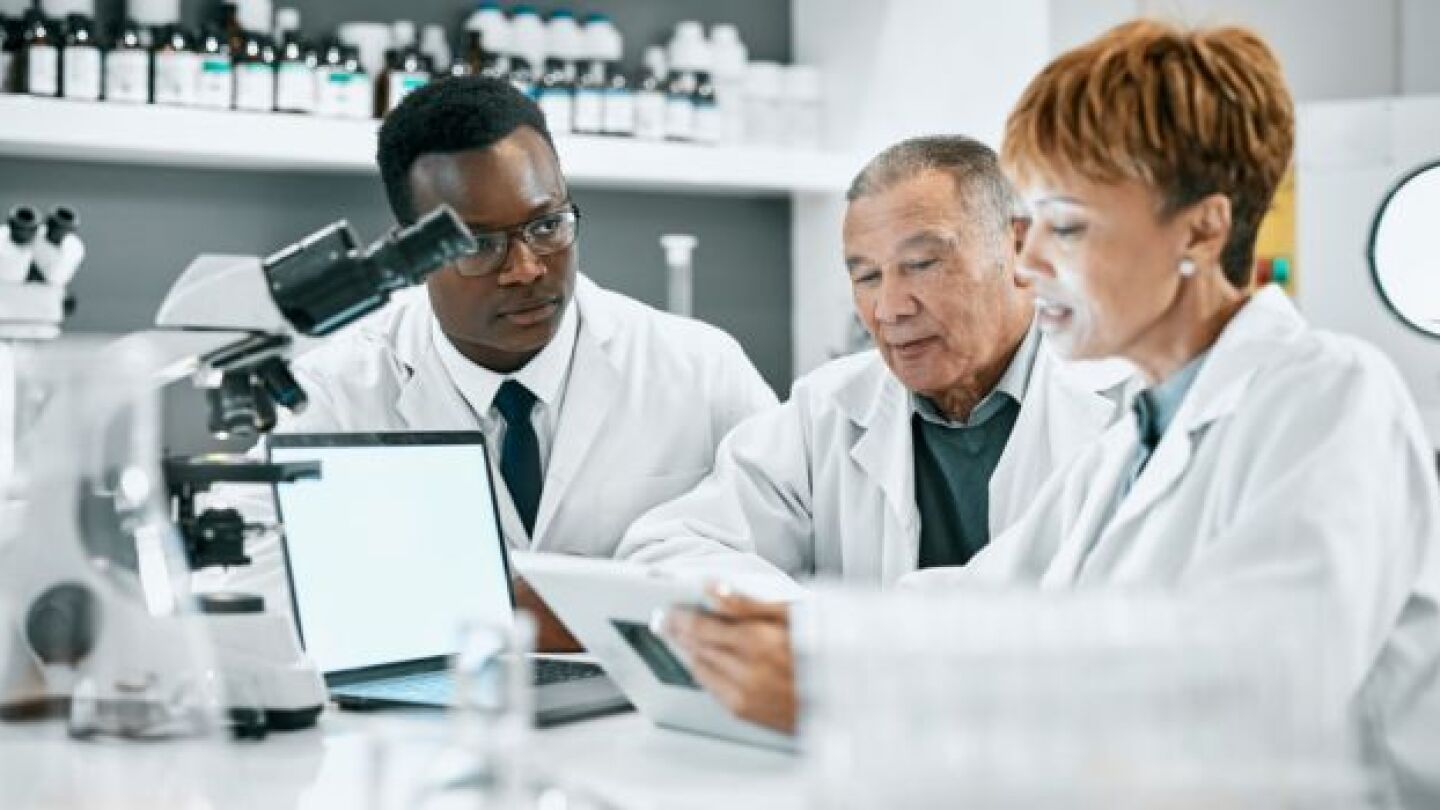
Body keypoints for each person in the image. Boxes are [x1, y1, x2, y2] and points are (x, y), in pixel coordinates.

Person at [665, 25, 1440, 807]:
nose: (1029, 266)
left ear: (1201, 230)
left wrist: (839, 679)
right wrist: (793, 640)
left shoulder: (1332, 398)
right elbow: (981, 608)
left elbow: (1255, 685)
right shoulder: (1133, 443)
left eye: (1065, 227)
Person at [211, 77, 776, 645]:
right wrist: (509, 611)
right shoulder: (334, 391)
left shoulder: (701, 369)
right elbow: (247, 582)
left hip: (645, 724)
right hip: (434, 723)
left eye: (547, 225)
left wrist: (559, 608)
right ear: (411, 251)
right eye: (479, 246)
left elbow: (790, 558)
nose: (527, 268)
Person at [618, 136, 1127, 591]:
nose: (889, 308)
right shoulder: (827, 411)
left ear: (1017, 248)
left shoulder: (1126, 406)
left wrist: (866, 632)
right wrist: (808, 630)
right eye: (866, 277)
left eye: (923, 265)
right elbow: (666, 551)